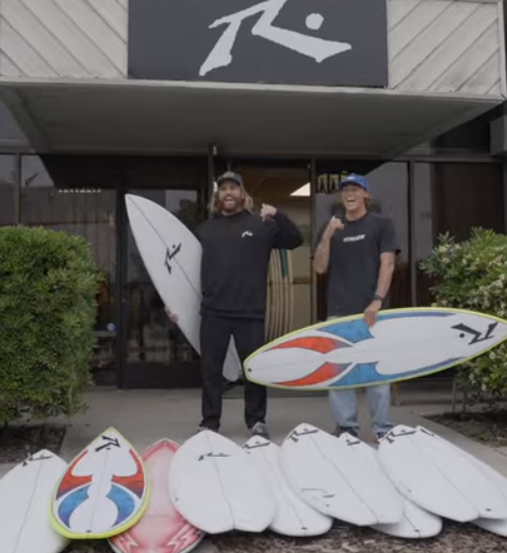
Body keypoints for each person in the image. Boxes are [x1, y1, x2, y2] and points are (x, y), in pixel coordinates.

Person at [167, 171, 303, 438]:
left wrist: (277, 214)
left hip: (249, 314)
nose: (228, 192)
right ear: (218, 196)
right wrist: (176, 304)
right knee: (210, 372)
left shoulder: (262, 226)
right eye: (224, 188)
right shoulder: (205, 230)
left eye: (234, 188)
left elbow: (295, 239)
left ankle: (256, 421)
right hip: (213, 313)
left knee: (253, 370)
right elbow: (187, 270)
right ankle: (210, 422)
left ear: (243, 194)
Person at [312, 173, 399, 440]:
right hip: (339, 309)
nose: (350, 194)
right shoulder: (332, 226)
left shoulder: (381, 224)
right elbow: (319, 267)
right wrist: (327, 236)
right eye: (346, 190)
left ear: (366, 195)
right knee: (340, 371)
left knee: (376, 371)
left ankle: (382, 427)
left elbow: (388, 264)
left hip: (371, 310)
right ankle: (346, 427)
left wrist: (377, 300)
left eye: (355, 189)